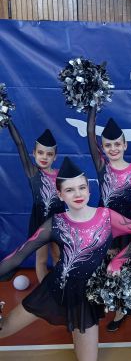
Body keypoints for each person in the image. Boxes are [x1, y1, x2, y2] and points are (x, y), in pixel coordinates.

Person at [0, 158, 131, 361]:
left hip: (85, 298)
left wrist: (118, 261)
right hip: (54, 289)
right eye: (70, 190)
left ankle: (75, 326)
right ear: (60, 195)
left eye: (81, 187)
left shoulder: (106, 216)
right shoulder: (55, 223)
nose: (78, 194)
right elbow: (19, 255)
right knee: (3, 329)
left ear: (89, 189)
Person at [86, 107, 131, 331]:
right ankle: (113, 302)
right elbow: (90, 135)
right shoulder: (102, 166)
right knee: (105, 263)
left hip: (126, 223)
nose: (113, 148)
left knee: (123, 264)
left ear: (125, 145)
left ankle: (121, 310)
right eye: (108, 145)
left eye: (117, 144)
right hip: (104, 223)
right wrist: (92, 108)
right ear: (102, 147)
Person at [6, 121, 65, 282]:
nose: (44, 157)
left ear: (55, 156)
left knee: (58, 256)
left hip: (58, 221)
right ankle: (44, 292)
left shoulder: (61, 174)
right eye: (40, 153)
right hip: (40, 222)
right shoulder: (32, 172)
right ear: (34, 153)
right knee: (41, 259)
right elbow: (20, 143)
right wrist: (7, 120)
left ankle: (58, 288)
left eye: (49, 154)